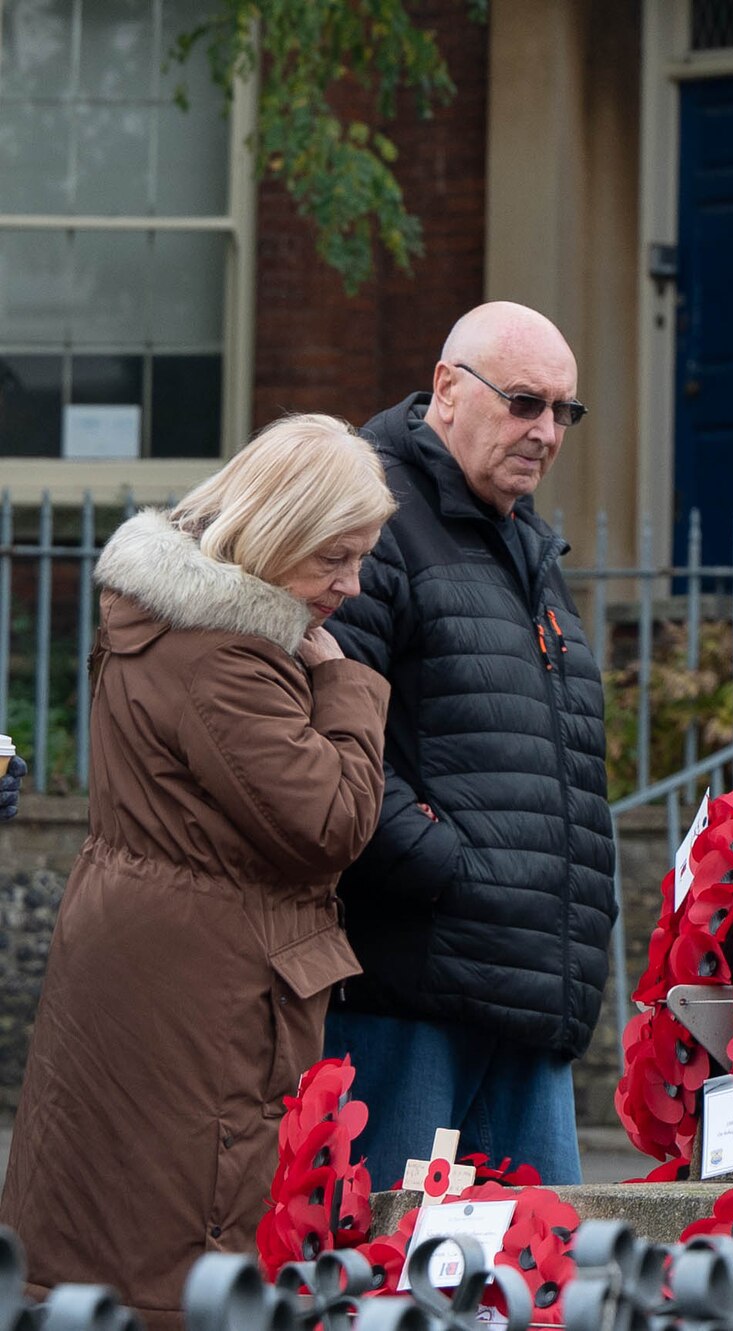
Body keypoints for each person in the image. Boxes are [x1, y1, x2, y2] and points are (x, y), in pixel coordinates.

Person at [0, 415, 394, 1329]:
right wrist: (342, 686)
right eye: (335, 557)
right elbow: (332, 821)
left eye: (362, 557)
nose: (351, 585)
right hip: (208, 994)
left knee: (96, 1239)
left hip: (146, 957)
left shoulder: (164, 617)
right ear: (277, 531)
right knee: (183, 1262)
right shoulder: (227, 654)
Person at [324, 301, 615, 1185]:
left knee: (536, 1293)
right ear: (448, 388)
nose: (546, 431)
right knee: (384, 1282)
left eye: (563, 410)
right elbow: (327, 742)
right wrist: (455, 870)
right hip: (412, 999)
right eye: (525, 401)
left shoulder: (523, 540)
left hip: (529, 997)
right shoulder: (371, 515)